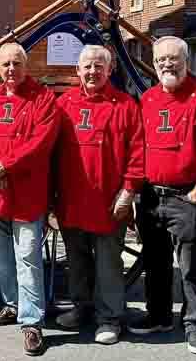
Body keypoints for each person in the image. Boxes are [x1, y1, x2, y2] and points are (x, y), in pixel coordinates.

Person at [128, 36, 196, 355]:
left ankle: (194, 324)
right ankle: (159, 316)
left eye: (173, 59)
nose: (166, 64)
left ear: (186, 62)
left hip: (187, 196)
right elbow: (136, 147)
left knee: (191, 265)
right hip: (151, 195)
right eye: (160, 59)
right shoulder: (147, 99)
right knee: (155, 260)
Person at [0, 42, 60, 356]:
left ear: (25, 64)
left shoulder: (43, 100)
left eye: (16, 63)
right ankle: (12, 303)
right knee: (3, 257)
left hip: (26, 195)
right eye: (5, 64)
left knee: (28, 257)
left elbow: (40, 143)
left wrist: (5, 165)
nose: (10, 70)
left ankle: (32, 322)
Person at [54, 45, 145, 345]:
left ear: (109, 70)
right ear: (77, 71)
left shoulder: (126, 106)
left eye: (99, 66)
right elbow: (51, 153)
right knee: (77, 260)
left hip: (110, 201)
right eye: (87, 67)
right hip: (72, 199)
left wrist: (129, 190)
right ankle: (82, 309)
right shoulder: (64, 104)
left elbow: (137, 152)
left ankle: (109, 319)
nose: (93, 72)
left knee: (108, 263)